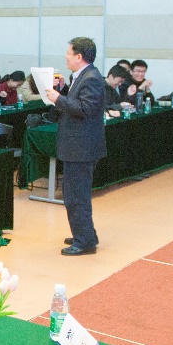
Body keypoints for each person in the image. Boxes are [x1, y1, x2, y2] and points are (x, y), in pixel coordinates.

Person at [45, 37, 106, 256]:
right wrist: (63, 90)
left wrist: (58, 98)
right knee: (77, 194)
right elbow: (78, 102)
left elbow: (85, 109)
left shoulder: (91, 78)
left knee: (76, 196)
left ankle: (85, 242)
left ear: (79, 56)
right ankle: (86, 234)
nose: (66, 57)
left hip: (81, 147)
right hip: (78, 146)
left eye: (69, 53)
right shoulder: (83, 76)